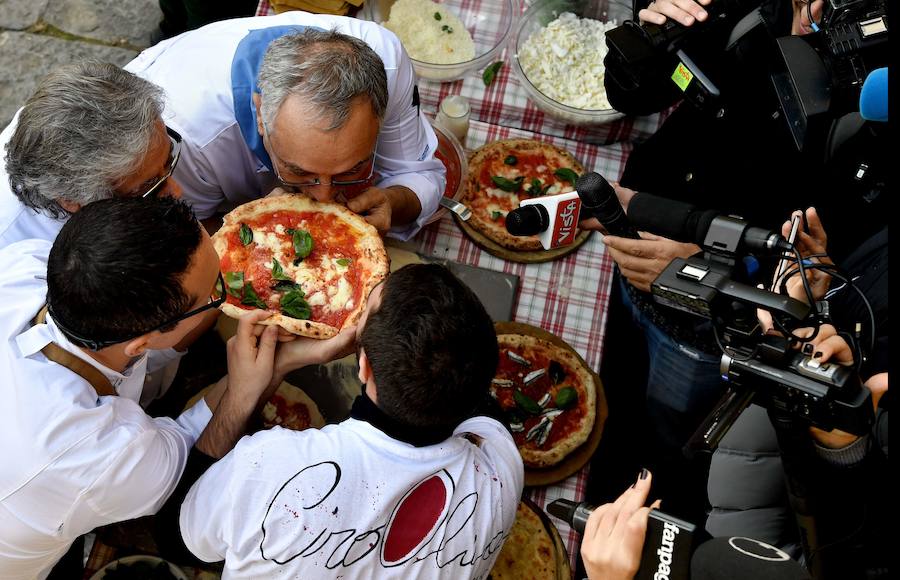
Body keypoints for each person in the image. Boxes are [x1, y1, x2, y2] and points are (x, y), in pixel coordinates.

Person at [583, 0, 886, 520]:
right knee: (609, 381)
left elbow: (824, 275)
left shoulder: (875, 101)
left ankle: (624, 511)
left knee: (663, 440)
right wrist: (644, 35)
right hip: (630, 225)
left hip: (711, 326)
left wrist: (703, 276)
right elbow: (632, 92)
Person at [0, 196, 334, 579]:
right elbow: (188, 488)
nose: (222, 295)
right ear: (141, 344)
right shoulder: (100, 451)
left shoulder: (26, 262)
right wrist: (244, 393)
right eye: (215, 294)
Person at [178, 264, 524, 578]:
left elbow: (181, 538)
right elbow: (483, 408)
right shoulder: (502, 471)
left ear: (364, 367)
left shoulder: (267, 468)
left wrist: (251, 387)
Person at [125, 12, 446, 237]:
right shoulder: (185, 137)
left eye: (351, 170)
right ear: (260, 110)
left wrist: (393, 201)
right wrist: (252, 227)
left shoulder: (387, 62)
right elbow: (185, 236)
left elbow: (420, 174)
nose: (323, 199)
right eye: (299, 171)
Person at [1, 61, 183, 250]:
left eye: (170, 159)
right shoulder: (26, 260)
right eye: (148, 187)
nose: (177, 192)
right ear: (70, 201)